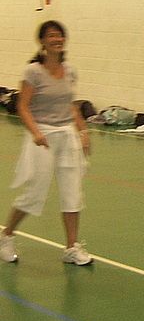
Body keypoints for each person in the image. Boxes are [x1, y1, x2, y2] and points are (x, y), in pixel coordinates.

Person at [0, 20, 93, 266]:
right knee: (34, 193)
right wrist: (36, 133)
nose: (56, 39)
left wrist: (83, 131)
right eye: (51, 36)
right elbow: (22, 106)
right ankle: (6, 235)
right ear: (42, 41)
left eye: (60, 35)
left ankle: (71, 247)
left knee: (73, 192)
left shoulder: (70, 70)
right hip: (43, 138)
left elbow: (70, 106)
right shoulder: (32, 72)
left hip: (67, 136)